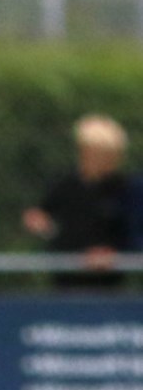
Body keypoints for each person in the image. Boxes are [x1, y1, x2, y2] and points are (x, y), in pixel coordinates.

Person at [22, 113, 134, 289]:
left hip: (107, 283)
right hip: (66, 277)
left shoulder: (125, 188)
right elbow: (42, 213)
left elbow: (132, 232)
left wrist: (112, 254)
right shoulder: (64, 184)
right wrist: (38, 221)